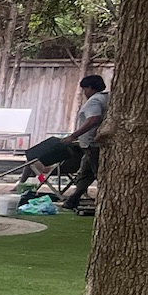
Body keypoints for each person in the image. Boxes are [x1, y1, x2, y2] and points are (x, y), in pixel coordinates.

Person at [60, 74, 109, 212]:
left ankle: (107, 202)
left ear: (91, 88)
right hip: (96, 143)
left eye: (85, 89)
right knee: (85, 173)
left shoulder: (94, 100)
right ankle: (73, 200)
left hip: (93, 143)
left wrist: (73, 136)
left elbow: (93, 119)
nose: (84, 92)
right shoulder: (108, 98)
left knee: (100, 173)